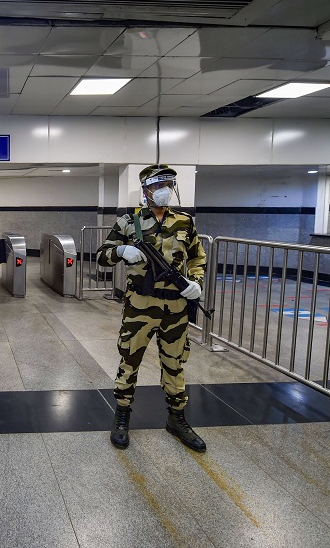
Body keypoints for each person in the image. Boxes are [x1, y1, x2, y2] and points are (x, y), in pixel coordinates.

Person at [97, 164, 208, 452]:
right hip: (140, 305)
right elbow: (102, 257)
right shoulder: (128, 222)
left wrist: (195, 281)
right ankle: (122, 415)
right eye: (159, 186)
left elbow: (197, 257)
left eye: (169, 185)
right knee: (130, 359)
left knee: (175, 362)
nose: (164, 191)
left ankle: (177, 418)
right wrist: (121, 251)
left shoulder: (185, 222)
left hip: (176, 306)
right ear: (146, 189)